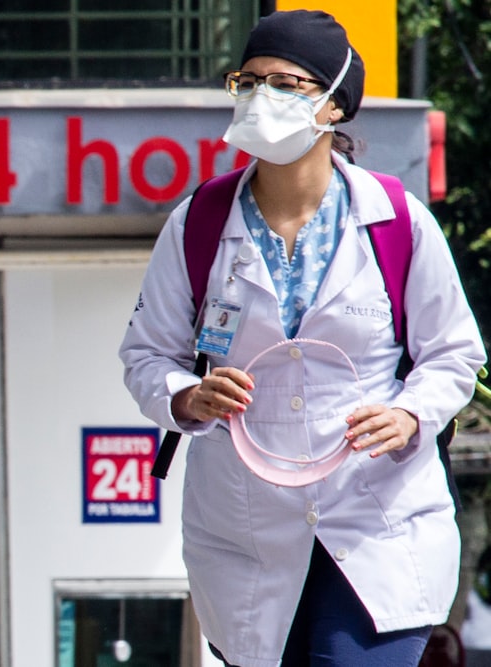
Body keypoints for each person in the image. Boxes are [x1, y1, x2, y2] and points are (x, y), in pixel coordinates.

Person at [118, 9, 485, 667]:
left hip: (376, 519)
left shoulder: (398, 222)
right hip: (247, 528)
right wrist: (187, 396)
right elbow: (147, 353)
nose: (262, 98)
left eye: (285, 83)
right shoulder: (197, 223)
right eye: (248, 80)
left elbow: (454, 352)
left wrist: (409, 412)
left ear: (335, 104)